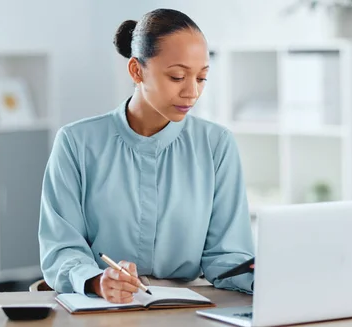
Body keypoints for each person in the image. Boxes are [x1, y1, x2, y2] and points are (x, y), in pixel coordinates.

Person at [38, 8, 254, 304]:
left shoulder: (217, 144)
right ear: (136, 71)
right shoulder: (76, 143)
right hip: (105, 306)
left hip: (187, 309)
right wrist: (97, 281)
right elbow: (61, 247)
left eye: (201, 78)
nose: (192, 92)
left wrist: (265, 274)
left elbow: (227, 256)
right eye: (177, 76)